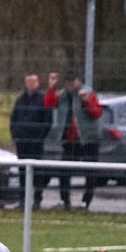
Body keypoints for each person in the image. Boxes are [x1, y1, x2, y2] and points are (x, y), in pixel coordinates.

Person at [45, 71, 103, 210]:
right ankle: (65, 201)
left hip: (88, 139)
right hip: (70, 140)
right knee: (64, 171)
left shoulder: (88, 93)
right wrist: (51, 87)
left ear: (78, 80)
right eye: (67, 81)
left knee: (90, 172)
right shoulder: (63, 95)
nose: (70, 84)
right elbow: (49, 104)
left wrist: (86, 101)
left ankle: (85, 202)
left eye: (73, 80)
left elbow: (96, 112)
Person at [9, 72, 51, 209]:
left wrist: (39, 138)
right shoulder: (21, 99)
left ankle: (37, 199)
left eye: (33, 81)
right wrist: (15, 135)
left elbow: (47, 121)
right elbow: (14, 118)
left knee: (37, 171)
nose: (30, 84)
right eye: (28, 81)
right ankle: (23, 199)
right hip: (22, 142)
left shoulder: (43, 99)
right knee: (22, 172)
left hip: (36, 143)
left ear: (38, 82)